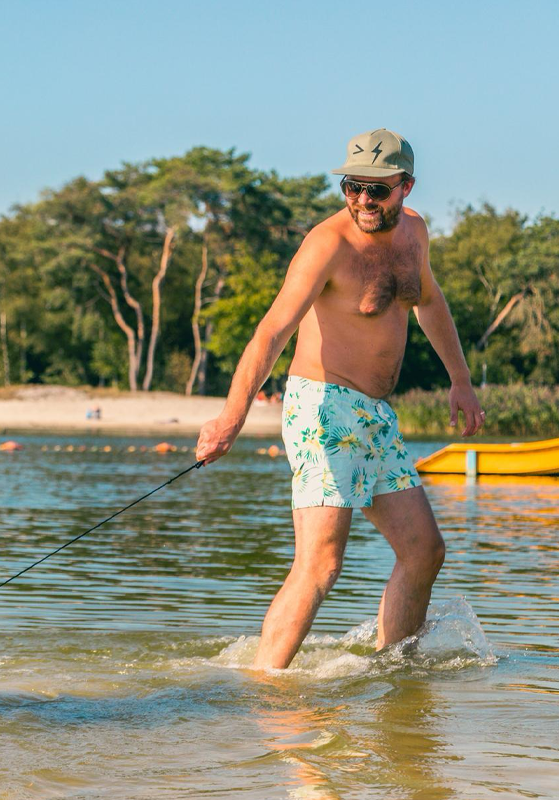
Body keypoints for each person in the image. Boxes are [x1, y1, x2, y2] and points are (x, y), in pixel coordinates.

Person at [195, 129, 484, 669]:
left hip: (376, 416)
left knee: (424, 551)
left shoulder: (415, 234)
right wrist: (230, 418)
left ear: (406, 187)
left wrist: (460, 379)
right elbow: (271, 332)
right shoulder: (327, 244)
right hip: (322, 408)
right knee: (321, 564)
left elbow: (429, 302)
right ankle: (265, 686)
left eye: (378, 190)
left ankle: (391, 675)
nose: (363, 201)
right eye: (353, 187)